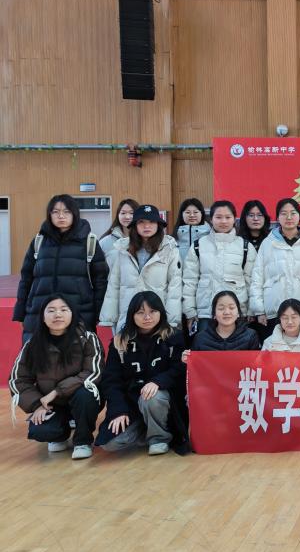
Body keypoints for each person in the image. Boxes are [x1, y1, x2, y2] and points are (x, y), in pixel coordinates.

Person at [9, 295, 104, 459]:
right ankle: (59, 435)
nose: (57, 315)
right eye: (51, 311)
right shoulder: (32, 345)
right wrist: (36, 405)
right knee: (41, 430)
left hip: (80, 398)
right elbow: (18, 380)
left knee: (86, 393)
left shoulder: (88, 338)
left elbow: (92, 372)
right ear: (43, 317)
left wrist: (57, 392)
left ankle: (83, 441)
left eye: (63, 310)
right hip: (51, 404)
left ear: (72, 314)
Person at [96, 292, 187, 455]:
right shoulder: (120, 341)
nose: (147, 317)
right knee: (110, 444)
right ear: (132, 315)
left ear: (161, 312)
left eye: (152, 311)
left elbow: (179, 370)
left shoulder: (173, 336)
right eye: (140, 312)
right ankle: (147, 428)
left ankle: (159, 438)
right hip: (131, 403)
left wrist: (158, 382)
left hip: (162, 402)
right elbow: (111, 381)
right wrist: (118, 411)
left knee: (151, 397)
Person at [14, 194, 108, 342]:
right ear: (49, 214)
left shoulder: (89, 242)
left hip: (79, 314)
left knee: (76, 354)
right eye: (55, 212)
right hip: (39, 314)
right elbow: (26, 279)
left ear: (74, 214)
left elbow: (100, 281)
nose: (61, 216)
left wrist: (98, 313)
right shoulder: (39, 242)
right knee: (37, 354)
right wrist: (21, 312)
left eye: (66, 211)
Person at [101, 204, 182, 331]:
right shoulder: (123, 249)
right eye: (141, 222)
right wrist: (109, 316)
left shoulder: (169, 249)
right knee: (127, 343)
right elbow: (114, 284)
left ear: (158, 225)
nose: (147, 226)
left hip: (156, 315)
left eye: (152, 222)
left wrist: (171, 319)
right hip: (128, 312)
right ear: (135, 225)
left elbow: (175, 286)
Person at [182, 200, 257, 336]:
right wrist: (190, 310)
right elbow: (190, 281)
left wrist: (251, 310)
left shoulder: (245, 247)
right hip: (205, 313)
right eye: (218, 217)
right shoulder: (198, 246)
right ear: (211, 219)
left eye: (228, 217)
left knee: (238, 349)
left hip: (237, 312)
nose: (223, 221)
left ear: (234, 219)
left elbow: (252, 282)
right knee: (206, 348)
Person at [250, 198, 300, 330]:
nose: (289, 217)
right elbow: (257, 277)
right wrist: (259, 310)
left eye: (293, 213)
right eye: (283, 213)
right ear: (277, 217)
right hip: (274, 312)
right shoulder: (268, 243)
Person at [183, 290, 261, 354]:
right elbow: (195, 366)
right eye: (221, 308)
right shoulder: (201, 338)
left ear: (238, 312)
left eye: (231, 308)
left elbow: (256, 365)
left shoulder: (250, 336)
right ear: (214, 314)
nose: (226, 312)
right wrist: (186, 360)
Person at [173, 198, 210, 264]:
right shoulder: (173, 239)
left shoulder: (210, 236)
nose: (192, 215)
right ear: (181, 214)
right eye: (187, 212)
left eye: (195, 212)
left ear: (201, 214)